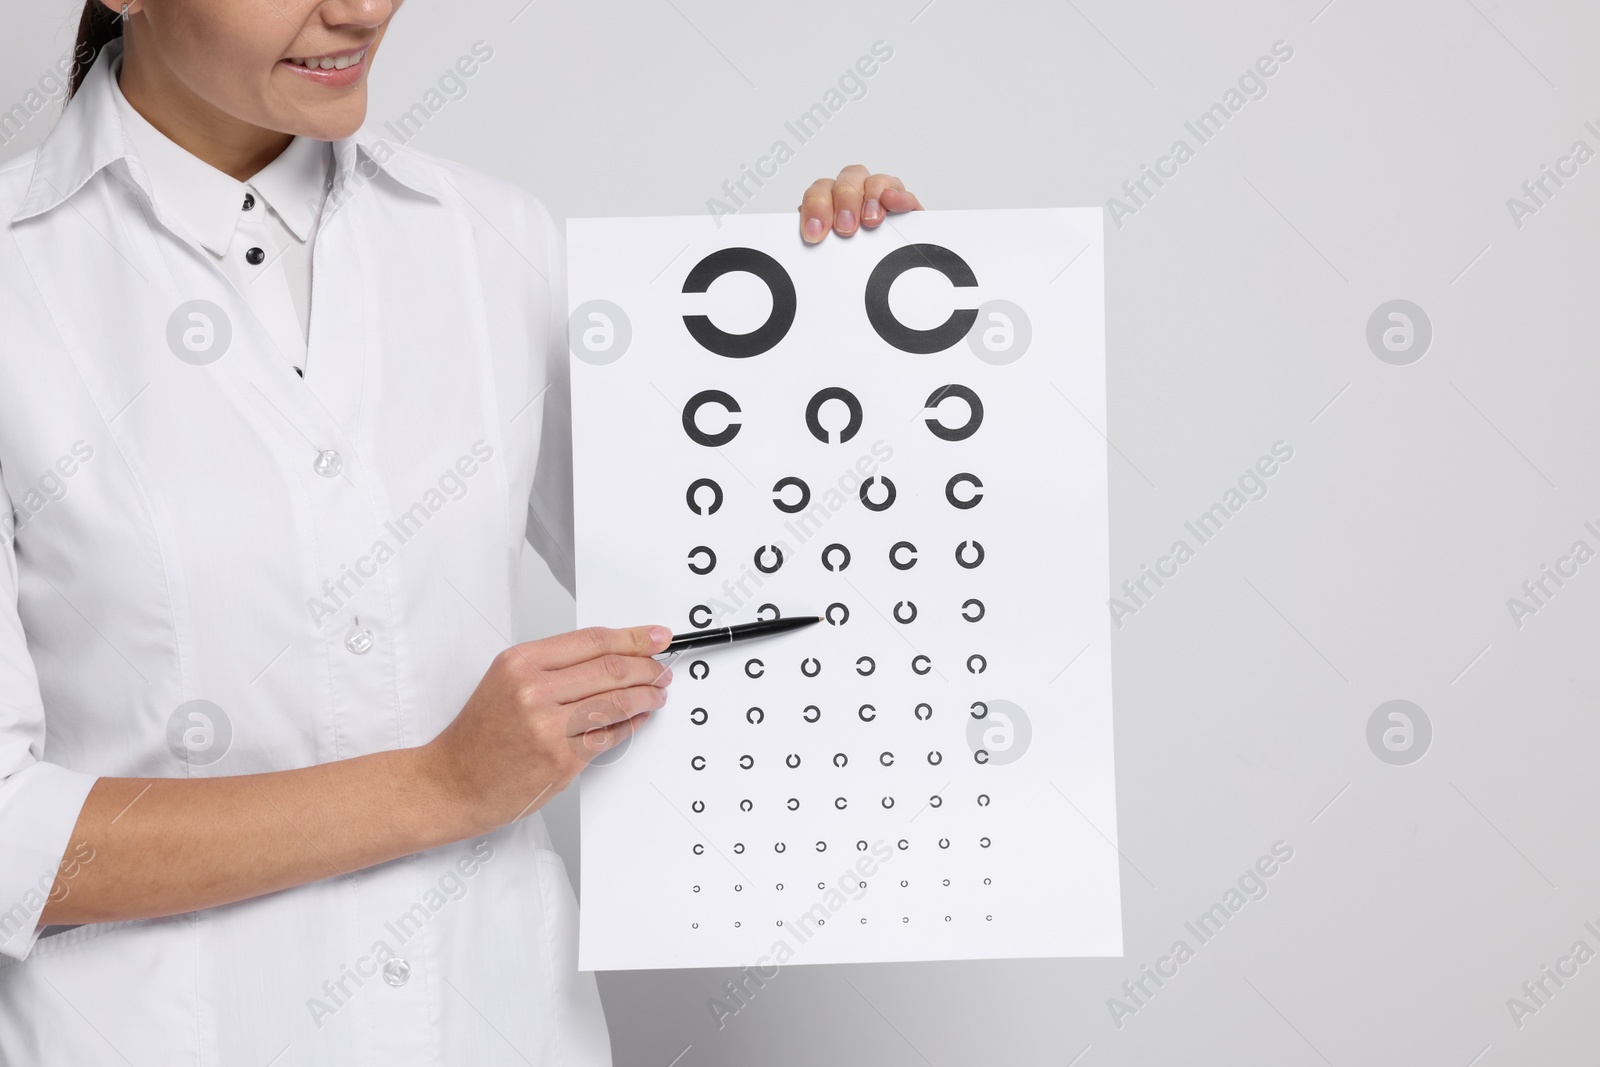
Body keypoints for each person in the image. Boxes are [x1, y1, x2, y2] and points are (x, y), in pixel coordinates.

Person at [0, 1, 923, 1062]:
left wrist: (848, 330)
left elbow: (727, 602)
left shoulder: (491, 237)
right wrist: (440, 785)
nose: (358, 9)